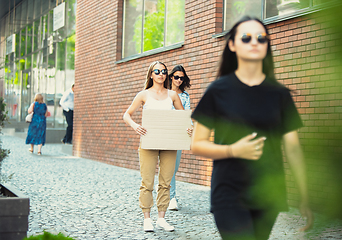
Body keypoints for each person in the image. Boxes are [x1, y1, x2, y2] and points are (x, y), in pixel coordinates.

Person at [190, 16, 313, 240]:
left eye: (261, 38)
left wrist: (305, 194)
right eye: (246, 38)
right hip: (228, 192)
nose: (254, 42)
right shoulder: (217, 91)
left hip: (268, 192)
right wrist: (232, 150)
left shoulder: (280, 94)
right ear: (232, 45)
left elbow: (293, 149)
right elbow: (197, 144)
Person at [123, 61, 189, 232]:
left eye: (164, 71)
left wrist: (189, 127)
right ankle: (147, 218)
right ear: (151, 74)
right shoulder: (143, 95)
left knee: (166, 182)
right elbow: (127, 115)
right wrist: (135, 126)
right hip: (148, 141)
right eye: (157, 71)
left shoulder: (173, 95)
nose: (161, 74)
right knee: (147, 181)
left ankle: (161, 218)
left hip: (168, 142)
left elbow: (184, 118)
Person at [168, 65, 192, 211]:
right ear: (171, 76)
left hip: (177, 134)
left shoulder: (185, 96)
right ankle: (170, 197)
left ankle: (169, 195)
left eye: (181, 78)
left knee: (173, 168)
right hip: (163, 133)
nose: (178, 80)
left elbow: (187, 114)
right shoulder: (163, 93)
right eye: (176, 77)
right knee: (166, 167)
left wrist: (191, 127)